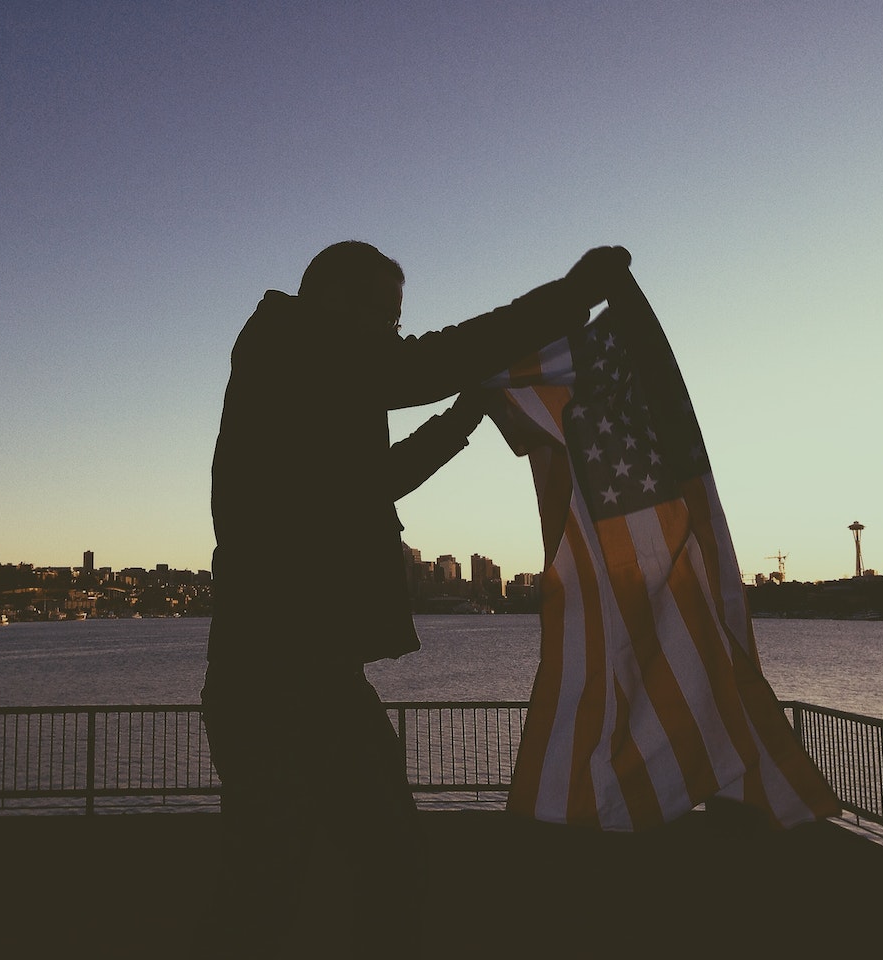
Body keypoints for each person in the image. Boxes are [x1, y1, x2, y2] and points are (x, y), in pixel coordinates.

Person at [198, 240, 631, 954]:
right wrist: (568, 295)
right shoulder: (288, 340)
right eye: (388, 317)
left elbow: (372, 481)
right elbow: (427, 361)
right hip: (272, 680)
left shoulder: (308, 378)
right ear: (334, 298)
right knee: (277, 883)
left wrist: (463, 418)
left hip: (313, 674)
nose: (395, 332)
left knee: (375, 863)